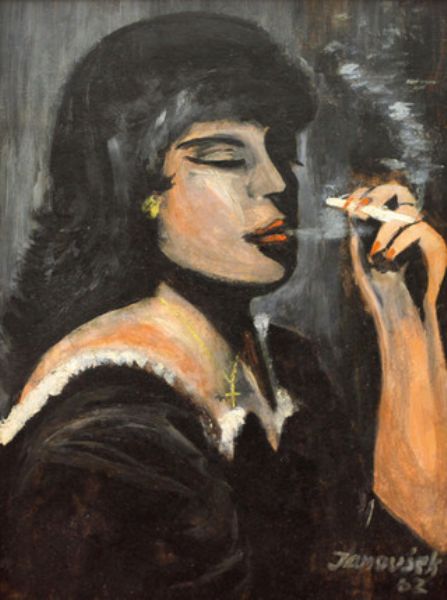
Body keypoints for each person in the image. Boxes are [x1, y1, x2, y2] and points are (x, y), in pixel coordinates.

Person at [0, 12, 446, 600]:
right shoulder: (107, 436)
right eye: (225, 158)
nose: (276, 183)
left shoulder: (288, 366)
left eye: (280, 150)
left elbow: (412, 551)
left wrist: (400, 310)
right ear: (139, 192)